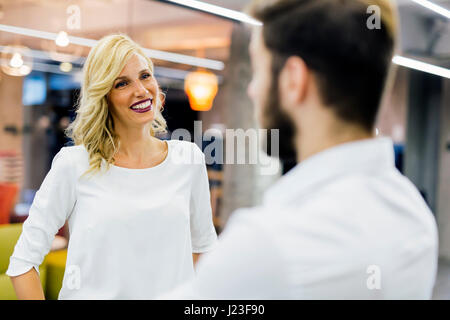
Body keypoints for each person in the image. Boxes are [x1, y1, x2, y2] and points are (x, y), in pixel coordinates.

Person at [160, 0, 438, 299]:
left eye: (259, 70)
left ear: (294, 79)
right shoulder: (414, 215)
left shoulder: (268, 245)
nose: (252, 90)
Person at [7, 34, 217, 299]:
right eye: (122, 83)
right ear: (103, 97)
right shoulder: (74, 164)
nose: (141, 90)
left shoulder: (188, 159)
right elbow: (23, 262)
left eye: (144, 75)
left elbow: (204, 249)